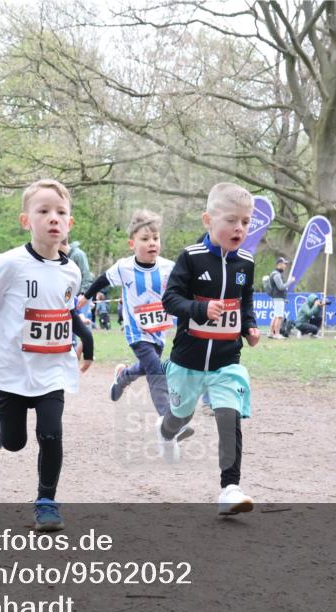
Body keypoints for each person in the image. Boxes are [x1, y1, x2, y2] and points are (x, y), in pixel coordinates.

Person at [0, 179, 94, 532]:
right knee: (15, 442)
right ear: (26, 221)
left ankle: (46, 501)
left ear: (70, 223)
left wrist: (86, 339)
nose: (53, 218)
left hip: (53, 369)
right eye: (44, 211)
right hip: (12, 371)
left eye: (61, 212)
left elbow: (65, 312)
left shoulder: (72, 270)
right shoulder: (10, 263)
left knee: (51, 434)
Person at [160, 182, 260, 515]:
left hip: (226, 361)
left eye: (246, 222)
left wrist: (249, 326)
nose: (239, 228)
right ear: (208, 220)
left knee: (228, 417)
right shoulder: (191, 258)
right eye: (231, 220)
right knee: (180, 415)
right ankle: (167, 433)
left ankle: (230, 487)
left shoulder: (246, 262)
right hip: (187, 359)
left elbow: (245, 302)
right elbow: (170, 300)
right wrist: (200, 310)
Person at [79, 209, 179, 419]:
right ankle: (167, 418)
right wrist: (86, 298)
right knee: (155, 368)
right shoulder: (124, 267)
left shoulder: (169, 267)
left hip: (158, 331)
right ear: (132, 244)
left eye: (155, 238)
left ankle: (123, 376)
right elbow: (101, 280)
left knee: (146, 367)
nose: (152, 243)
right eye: (145, 239)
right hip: (136, 332)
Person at [268, 257, 288, 339]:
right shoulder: (276, 274)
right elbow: (281, 287)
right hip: (278, 298)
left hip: (277, 298)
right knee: (279, 316)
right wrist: (290, 282)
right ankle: (277, 334)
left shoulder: (275, 273)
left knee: (276, 316)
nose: (285, 265)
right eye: (284, 264)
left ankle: (271, 333)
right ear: (279, 264)